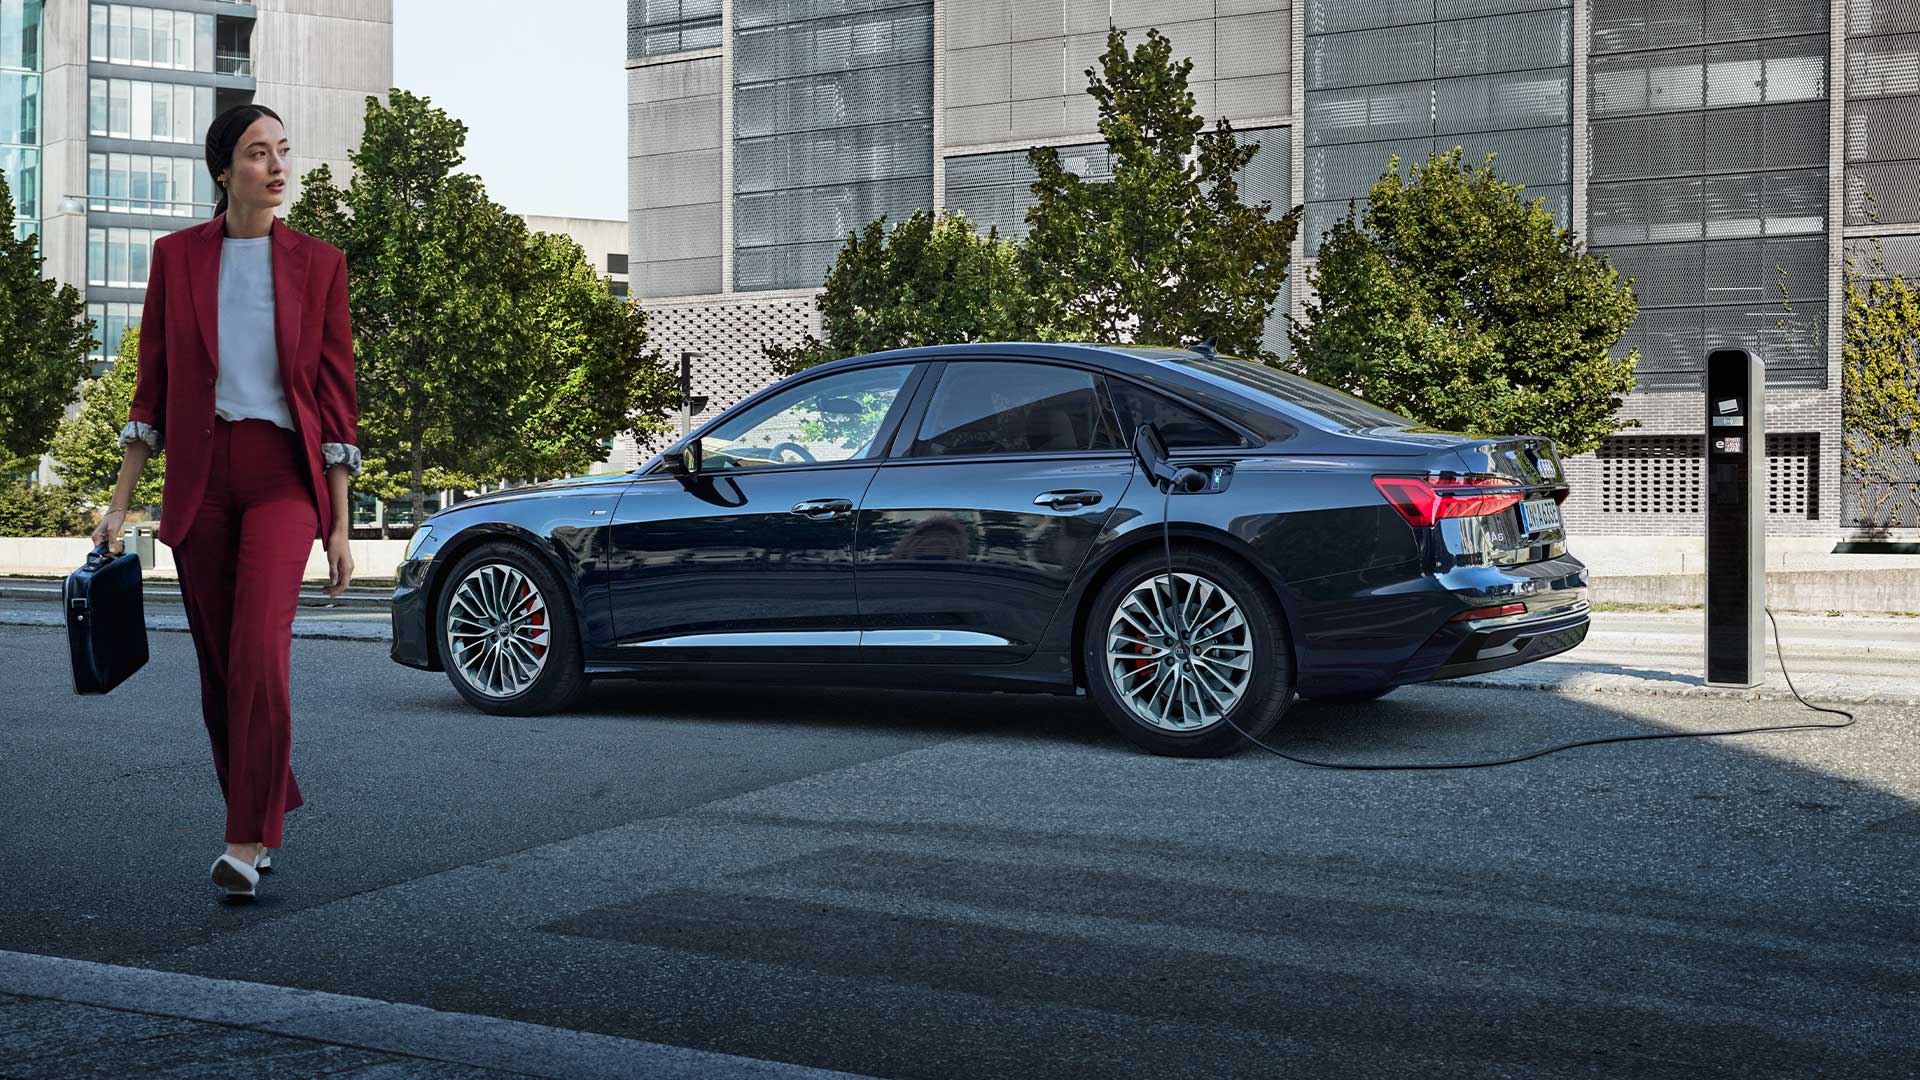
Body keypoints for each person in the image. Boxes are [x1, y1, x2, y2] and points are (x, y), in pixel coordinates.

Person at [90, 103, 362, 900]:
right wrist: (119, 507)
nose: (276, 167)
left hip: (283, 476)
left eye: (283, 150)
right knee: (217, 667)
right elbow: (153, 390)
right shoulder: (177, 259)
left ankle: (245, 840)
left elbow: (336, 400)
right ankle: (266, 798)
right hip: (201, 477)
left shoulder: (321, 264)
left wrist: (340, 524)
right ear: (222, 170)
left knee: (258, 655)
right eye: (256, 154)